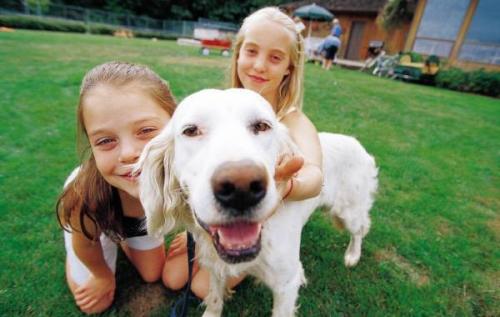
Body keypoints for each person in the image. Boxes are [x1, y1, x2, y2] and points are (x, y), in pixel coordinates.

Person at [162, 6, 324, 300]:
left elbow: (315, 176)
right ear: (237, 54)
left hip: (268, 215)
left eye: (275, 57)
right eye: (251, 51)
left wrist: (285, 187)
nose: (260, 65)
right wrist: (191, 223)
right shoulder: (216, 105)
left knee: (198, 288)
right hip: (218, 208)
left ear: (290, 67)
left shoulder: (293, 120)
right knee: (172, 278)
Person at [56, 61, 176, 314]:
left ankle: (122, 238)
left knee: (153, 273)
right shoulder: (83, 197)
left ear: (175, 121)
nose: (129, 153)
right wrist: (101, 276)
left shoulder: (188, 169)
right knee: (97, 305)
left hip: (140, 219)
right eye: (106, 141)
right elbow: (86, 245)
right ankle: (96, 237)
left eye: (145, 130)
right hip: (95, 219)